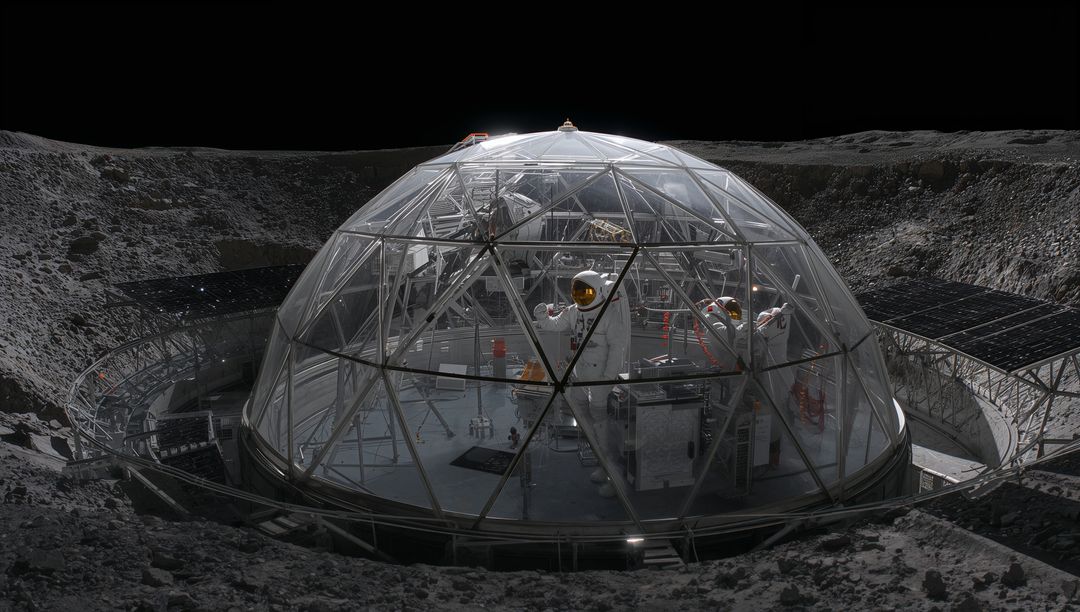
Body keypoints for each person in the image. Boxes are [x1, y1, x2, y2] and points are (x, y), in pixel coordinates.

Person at [532, 270, 630, 413]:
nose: (581, 296)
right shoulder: (573, 311)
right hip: (579, 372)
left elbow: (617, 348)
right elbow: (556, 324)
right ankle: (583, 431)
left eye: (586, 293)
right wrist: (542, 318)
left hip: (600, 376)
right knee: (579, 407)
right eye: (577, 292)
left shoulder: (608, 315)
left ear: (599, 290)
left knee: (598, 410)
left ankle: (598, 434)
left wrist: (608, 377)